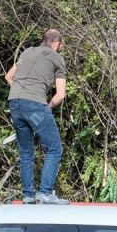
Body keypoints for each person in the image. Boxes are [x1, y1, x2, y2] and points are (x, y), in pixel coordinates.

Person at [5, 29, 69, 205]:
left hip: (15, 103)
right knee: (54, 148)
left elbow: (9, 77)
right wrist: (45, 107)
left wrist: (21, 92)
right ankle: (46, 193)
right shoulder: (57, 59)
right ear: (56, 44)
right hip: (35, 105)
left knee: (26, 151)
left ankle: (28, 195)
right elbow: (60, 95)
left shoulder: (27, 51)